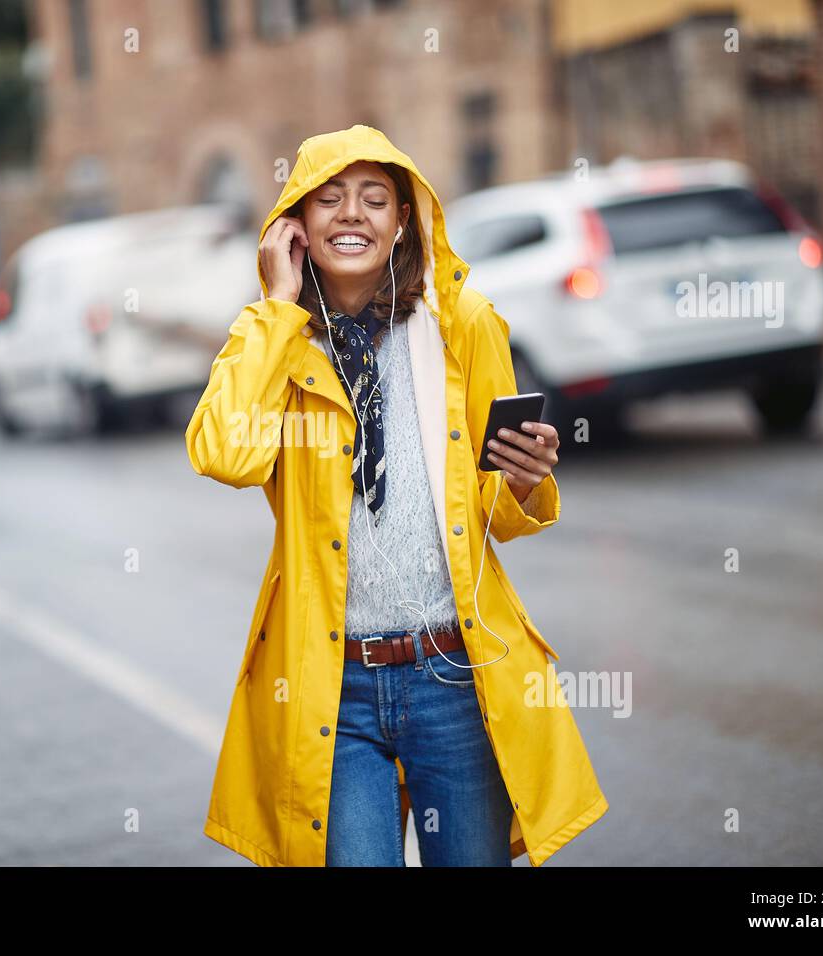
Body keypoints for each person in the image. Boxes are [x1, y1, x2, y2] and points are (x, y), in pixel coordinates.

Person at [186, 124, 607, 867]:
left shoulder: (462, 328)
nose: (353, 214)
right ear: (297, 228)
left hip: (454, 676)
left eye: (375, 199)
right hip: (331, 690)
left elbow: (502, 512)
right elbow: (225, 452)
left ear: (404, 219)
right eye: (330, 200)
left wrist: (524, 478)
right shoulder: (278, 347)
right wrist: (278, 305)